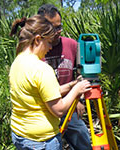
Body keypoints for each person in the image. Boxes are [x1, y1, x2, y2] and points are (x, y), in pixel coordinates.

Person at [9, 15, 91, 150]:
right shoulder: (42, 69)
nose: (50, 48)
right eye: (48, 42)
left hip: (21, 135)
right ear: (37, 40)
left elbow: (45, 94)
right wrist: (77, 90)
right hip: (41, 142)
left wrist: (72, 85)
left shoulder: (17, 62)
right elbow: (58, 110)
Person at [38, 4, 92, 150]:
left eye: (59, 27)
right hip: (45, 111)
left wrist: (80, 99)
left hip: (70, 106)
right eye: (53, 28)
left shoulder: (72, 45)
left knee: (84, 144)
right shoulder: (36, 50)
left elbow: (80, 73)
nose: (58, 32)